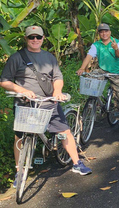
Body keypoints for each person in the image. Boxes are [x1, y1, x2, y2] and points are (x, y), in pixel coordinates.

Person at [0, 26, 92, 184]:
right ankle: (19, 172)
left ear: (43, 39)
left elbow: (57, 77)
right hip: (25, 105)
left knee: (64, 131)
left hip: (48, 102)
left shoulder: (49, 57)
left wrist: (57, 91)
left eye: (38, 37)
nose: (35, 40)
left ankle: (77, 162)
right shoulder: (16, 58)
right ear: (26, 39)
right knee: (20, 137)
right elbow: (5, 81)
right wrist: (22, 90)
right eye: (31, 37)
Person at [76, 23, 119, 129]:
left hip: (116, 72)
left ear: (110, 32)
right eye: (101, 32)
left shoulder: (117, 42)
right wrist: (82, 68)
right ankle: (95, 102)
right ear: (99, 34)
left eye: (106, 31)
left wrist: (116, 48)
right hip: (103, 70)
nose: (104, 34)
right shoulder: (97, 45)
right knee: (91, 78)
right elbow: (89, 56)